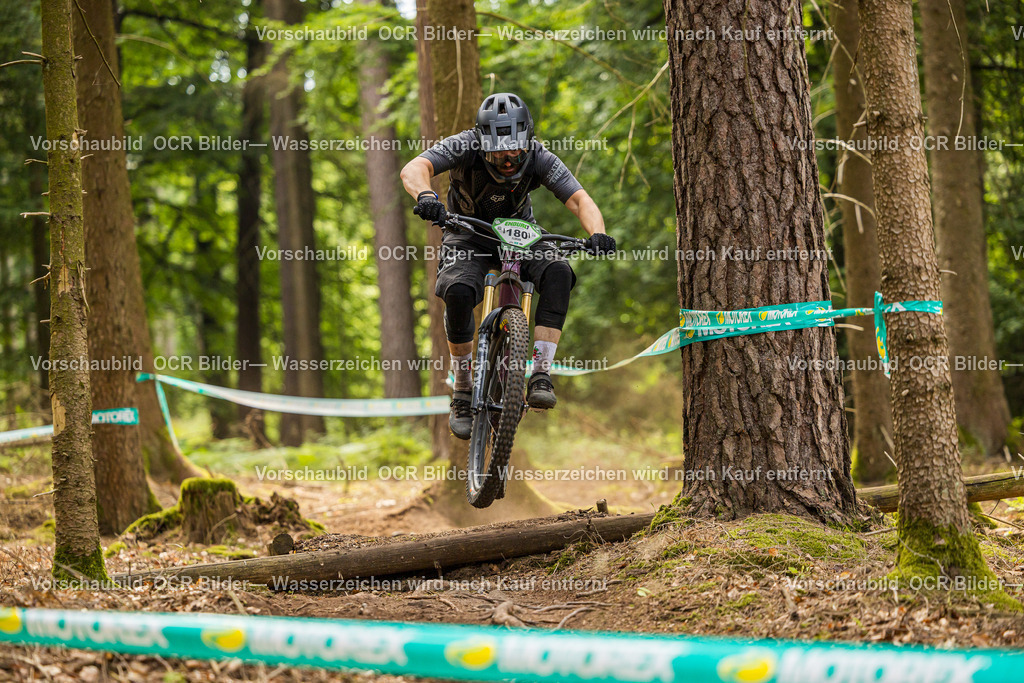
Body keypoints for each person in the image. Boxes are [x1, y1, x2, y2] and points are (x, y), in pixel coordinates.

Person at [400, 92, 615, 439]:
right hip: (467, 233)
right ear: (482, 141)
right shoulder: (464, 145)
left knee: (559, 271)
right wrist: (426, 196)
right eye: (498, 150)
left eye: (515, 148)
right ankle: (464, 388)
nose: (508, 158)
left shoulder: (540, 156)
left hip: (521, 235)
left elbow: (578, 198)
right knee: (456, 291)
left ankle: (541, 374)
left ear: (527, 139)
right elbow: (415, 168)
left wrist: (598, 232)